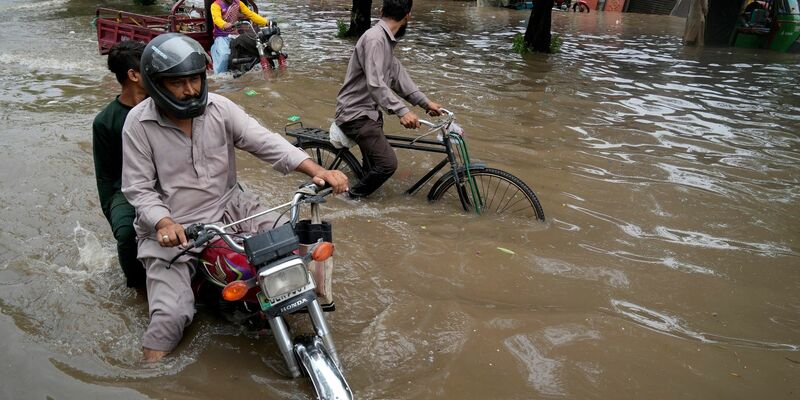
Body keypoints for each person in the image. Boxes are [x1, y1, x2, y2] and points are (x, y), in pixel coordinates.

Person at [121, 33, 348, 362]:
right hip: (175, 229)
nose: (190, 90)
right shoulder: (138, 124)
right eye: (178, 83)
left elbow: (265, 141)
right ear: (156, 84)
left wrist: (315, 169)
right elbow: (138, 189)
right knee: (171, 317)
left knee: (297, 251)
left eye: (195, 80)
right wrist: (164, 222)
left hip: (232, 208)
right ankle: (149, 375)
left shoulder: (220, 108)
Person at [334, 0, 443, 199]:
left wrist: (425, 103)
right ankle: (348, 199)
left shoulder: (385, 41)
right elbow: (376, 84)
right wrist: (402, 111)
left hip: (369, 113)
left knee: (373, 169)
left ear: (382, 10)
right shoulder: (375, 39)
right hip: (355, 114)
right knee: (387, 165)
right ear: (408, 15)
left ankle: (361, 194)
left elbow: (400, 78)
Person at [92, 40, 148, 289]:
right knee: (127, 234)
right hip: (125, 189)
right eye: (149, 67)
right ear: (133, 75)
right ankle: (137, 287)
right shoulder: (105, 121)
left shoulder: (164, 106)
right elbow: (105, 177)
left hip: (166, 179)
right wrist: (113, 214)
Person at [209, 0, 267, 74]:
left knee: (253, 49)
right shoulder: (216, 5)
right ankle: (220, 76)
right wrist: (224, 24)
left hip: (235, 36)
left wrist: (266, 22)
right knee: (224, 55)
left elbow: (251, 14)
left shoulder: (238, 3)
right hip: (221, 37)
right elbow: (216, 19)